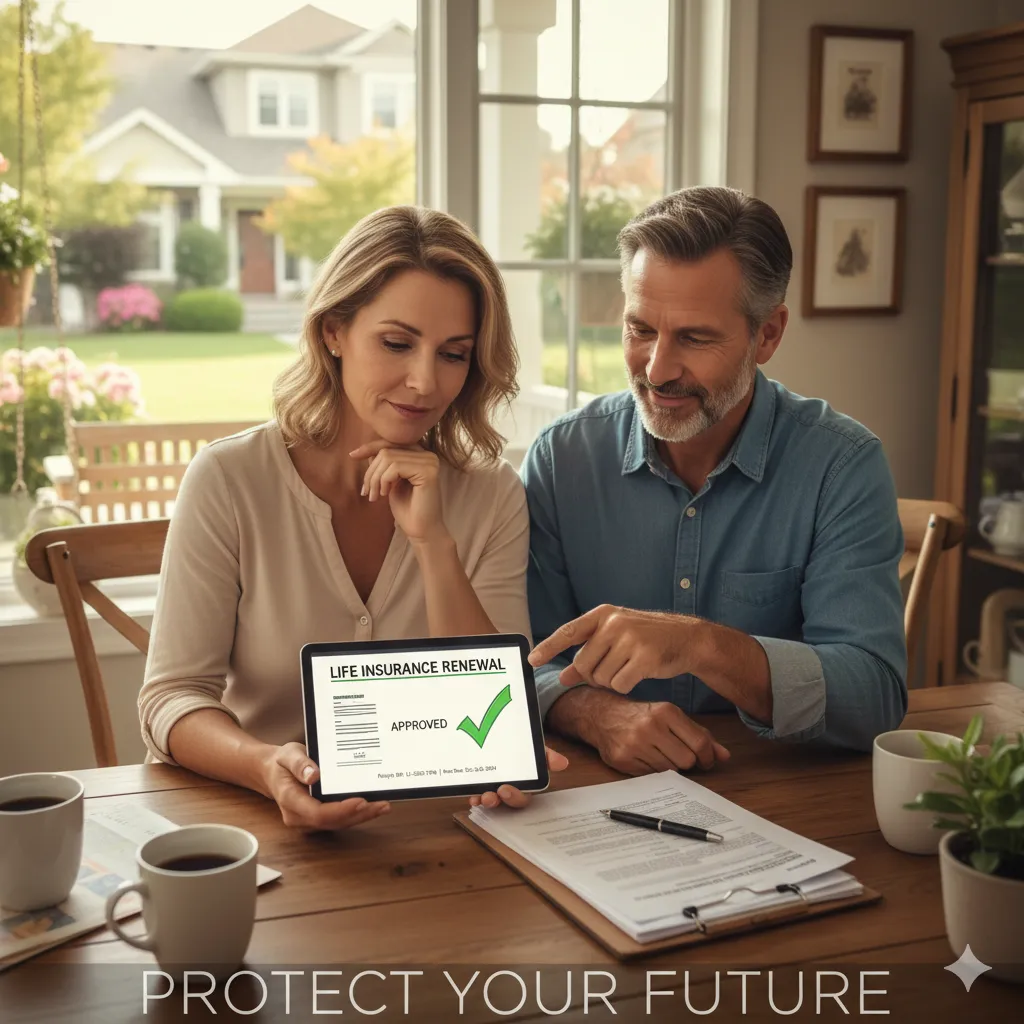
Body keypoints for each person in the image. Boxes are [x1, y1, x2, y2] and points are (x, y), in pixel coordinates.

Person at [139, 205, 567, 830]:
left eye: (454, 354)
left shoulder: (492, 493)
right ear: (334, 331)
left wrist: (433, 543)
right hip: (256, 824)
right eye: (397, 343)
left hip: (440, 832)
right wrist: (266, 767)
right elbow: (171, 697)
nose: (424, 382)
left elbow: (499, 714)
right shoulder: (229, 480)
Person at [523, 186, 906, 774]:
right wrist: (598, 715)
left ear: (768, 335)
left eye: (695, 338)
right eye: (640, 329)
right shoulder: (561, 458)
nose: (657, 370)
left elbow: (873, 695)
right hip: (594, 792)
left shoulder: (840, 465)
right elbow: (523, 661)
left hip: (783, 793)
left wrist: (703, 645)